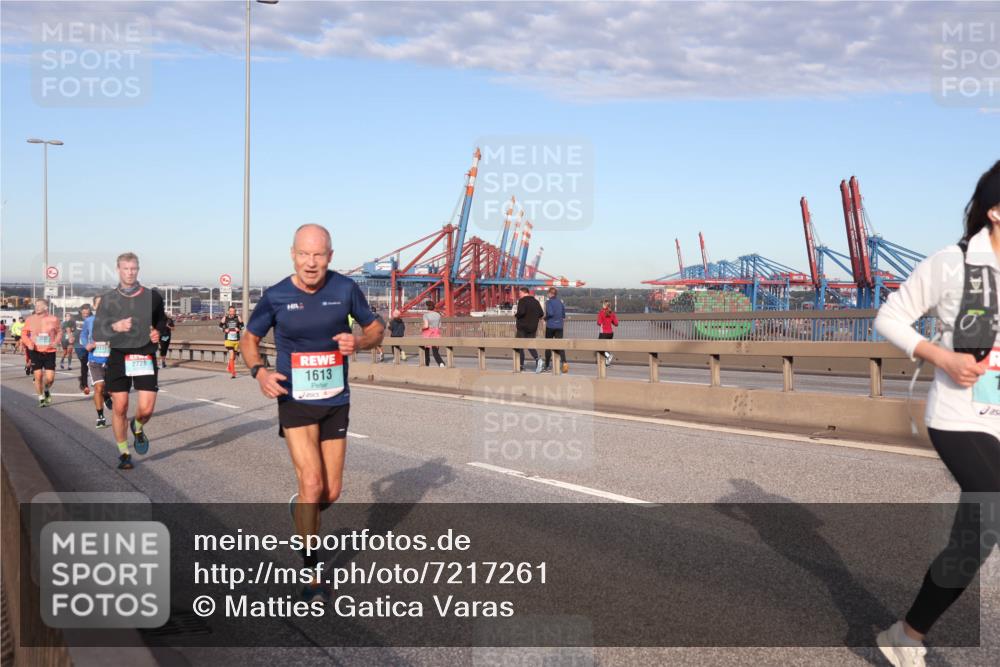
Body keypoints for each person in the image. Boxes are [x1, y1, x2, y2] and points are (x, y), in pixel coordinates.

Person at [873, 160, 1000, 667]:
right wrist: (942, 356)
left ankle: (906, 634)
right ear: (995, 211)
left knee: (975, 541)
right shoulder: (953, 263)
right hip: (960, 416)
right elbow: (890, 316)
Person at [242, 224, 384, 600]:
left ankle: (304, 508)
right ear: (292, 254)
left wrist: (361, 340)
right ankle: (311, 568)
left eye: (318, 255)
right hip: (295, 400)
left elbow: (376, 329)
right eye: (304, 254)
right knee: (311, 483)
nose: (310, 262)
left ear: (330, 257)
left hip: (336, 400)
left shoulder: (344, 289)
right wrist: (260, 371)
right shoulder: (276, 295)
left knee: (331, 492)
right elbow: (249, 339)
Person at [93, 252, 165, 470]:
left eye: (133, 268)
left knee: (146, 409)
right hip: (118, 355)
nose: (130, 272)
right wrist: (115, 327)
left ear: (138, 270)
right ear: (118, 270)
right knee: (120, 406)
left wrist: (158, 333)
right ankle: (124, 453)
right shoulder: (108, 299)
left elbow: (162, 321)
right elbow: (97, 331)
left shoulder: (152, 297)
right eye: (126, 268)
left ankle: (138, 425)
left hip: (144, 354)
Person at [80, 296, 114, 429]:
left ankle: (107, 395)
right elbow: (83, 336)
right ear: (94, 307)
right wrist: (87, 344)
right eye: (98, 304)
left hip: (111, 359)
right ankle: (101, 417)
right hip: (94, 359)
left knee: (111, 390)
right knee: (99, 387)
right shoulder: (89, 321)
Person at [22, 299, 60, 407]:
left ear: (46, 307)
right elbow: (24, 334)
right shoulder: (30, 319)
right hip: (35, 351)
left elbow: (59, 332)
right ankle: (41, 398)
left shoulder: (54, 319)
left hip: (49, 352)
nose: (37, 307)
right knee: (38, 376)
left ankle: (46, 389)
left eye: (39, 305)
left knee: (50, 378)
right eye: (36, 305)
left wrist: (56, 342)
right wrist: (29, 343)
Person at [514, 286, 543, 372]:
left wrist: (516, 315)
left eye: (519, 293)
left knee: (519, 346)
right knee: (530, 345)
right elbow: (541, 314)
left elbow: (521, 312)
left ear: (523, 292)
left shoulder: (522, 301)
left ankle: (521, 365)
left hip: (522, 327)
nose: (519, 295)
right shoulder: (535, 301)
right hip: (532, 328)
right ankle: (538, 359)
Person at [540, 287, 567, 373]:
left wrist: (544, 318)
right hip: (559, 326)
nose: (547, 295)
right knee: (560, 344)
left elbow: (550, 313)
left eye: (548, 293)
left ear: (550, 294)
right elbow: (563, 315)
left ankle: (547, 365)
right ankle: (564, 363)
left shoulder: (548, 302)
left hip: (551, 326)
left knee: (548, 345)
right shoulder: (560, 302)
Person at [219, 306, 243, 378]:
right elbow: (220, 326)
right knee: (232, 355)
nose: (232, 313)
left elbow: (243, 327)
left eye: (233, 311)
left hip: (236, 340)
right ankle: (233, 373)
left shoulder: (238, 318)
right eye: (231, 311)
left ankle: (229, 366)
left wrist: (238, 328)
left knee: (234, 356)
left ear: (235, 312)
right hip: (228, 340)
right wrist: (224, 330)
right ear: (228, 312)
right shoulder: (225, 318)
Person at [74, 304, 92, 394]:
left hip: (90, 344)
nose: (85, 314)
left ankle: (83, 382)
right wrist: (70, 335)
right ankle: (84, 384)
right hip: (78, 345)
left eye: (87, 312)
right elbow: (68, 326)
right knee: (84, 363)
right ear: (81, 311)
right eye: (84, 312)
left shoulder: (93, 318)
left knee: (89, 364)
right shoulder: (75, 318)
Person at [421, 300, 445, 367]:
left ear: (427, 307)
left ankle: (427, 364)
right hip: (436, 333)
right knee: (435, 352)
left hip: (428, 333)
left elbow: (426, 326)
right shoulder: (438, 315)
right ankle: (441, 363)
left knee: (426, 351)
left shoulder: (425, 315)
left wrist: (421, 328)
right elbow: (439, 326)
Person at [597, 299, 619, 366]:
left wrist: (602, 320)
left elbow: (599, 323)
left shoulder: (601, 312)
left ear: (604, 305)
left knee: (599, 348)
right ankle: (607, 362)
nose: (602, 305)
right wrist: (610, 320)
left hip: (603, 333)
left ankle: (609, 356)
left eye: (603, 304)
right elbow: (616, 324)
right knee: (606, 347)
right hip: (610, 334)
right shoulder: (612, 313)